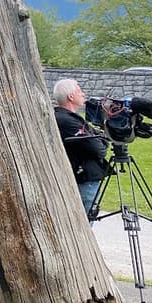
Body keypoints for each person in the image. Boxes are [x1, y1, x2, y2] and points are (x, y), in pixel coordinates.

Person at [53, 78, 109, 218]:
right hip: (83, 180)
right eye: (79, 91)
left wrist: (100, 139)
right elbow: (99, 150)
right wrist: (101, 140)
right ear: (70, 97)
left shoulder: (70, 118)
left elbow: (99, 138)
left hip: (83, 178)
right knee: (83, 221)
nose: (83, 94)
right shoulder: (66, 120)